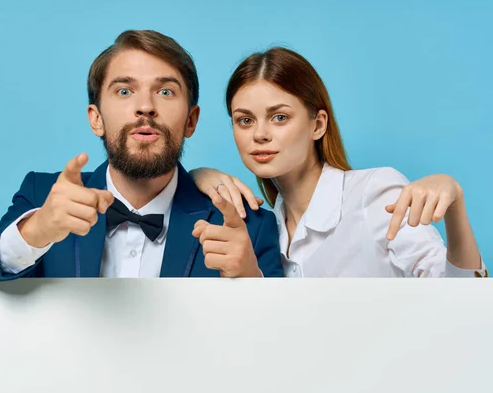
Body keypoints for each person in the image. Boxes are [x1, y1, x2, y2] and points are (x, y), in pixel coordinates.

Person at [0, 30, 284, 281]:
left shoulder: (248, 226)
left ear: (191, 121)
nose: (145, 106)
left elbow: (280, 350)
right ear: (95, 118)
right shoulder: (42, 196)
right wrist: (36, 230)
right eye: (124, 91)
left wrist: (251, 282)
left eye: (166, 91)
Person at [190, 47, 486, 277]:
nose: (260, 134)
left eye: (279, 117)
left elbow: (463, 297)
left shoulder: (374, 194)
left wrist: (455, 204)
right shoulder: (263, 226)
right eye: (245, 120)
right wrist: (197, 176)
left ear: (317, 125)